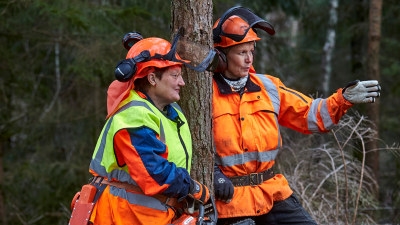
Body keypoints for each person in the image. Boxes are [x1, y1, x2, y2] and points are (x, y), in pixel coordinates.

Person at [209, 6, 381, 225]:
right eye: (242, 52)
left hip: (270, 192)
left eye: (252, 51)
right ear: (221, 56)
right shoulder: (206, 95)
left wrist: (343, 99)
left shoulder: (268, 87)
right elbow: (190, 142)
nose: (249, 59)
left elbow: (311, 114)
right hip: (230, 200)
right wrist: (213, 173)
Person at [78, 33, 210, 225]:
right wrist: (191, 187)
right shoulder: (134, 116)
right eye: (175, 75)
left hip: (149, 215)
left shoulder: (172, 112)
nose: (181, 82)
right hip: (121, 215)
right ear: (152, 78)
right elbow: (154, 174)